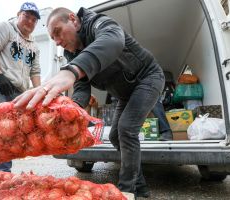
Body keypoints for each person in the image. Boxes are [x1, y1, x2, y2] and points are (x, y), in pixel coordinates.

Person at [13, 7, 165, 198]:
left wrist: (72, 70)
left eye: (58, 32)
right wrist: (71, 111)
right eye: (53, 39)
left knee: (126, 130)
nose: (58, 41)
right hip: (125, 94)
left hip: (148, 78)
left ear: (74, 20)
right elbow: (82, 87)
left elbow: (113, 40)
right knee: (116, 137)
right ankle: (140, 186)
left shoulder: (98, 24)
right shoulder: (72, 54)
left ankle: (128, 191)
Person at [0, 2, 41, 172]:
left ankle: (4, 174)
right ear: (18, 14)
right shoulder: (5, 28)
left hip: (19, 93)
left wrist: (39, 93)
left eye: (34, 20)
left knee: (11, 133)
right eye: (26, 16)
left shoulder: (34, 45)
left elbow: (34, 71)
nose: (30, 21)